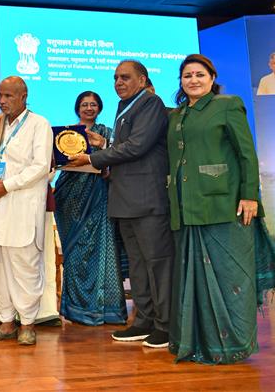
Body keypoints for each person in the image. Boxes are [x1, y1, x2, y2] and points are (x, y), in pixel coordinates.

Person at [167, 54, 275, 364]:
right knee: (194, 279)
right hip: (188, 207)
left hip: (225, 205)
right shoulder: (179, 114)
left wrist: (250, 196)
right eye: (187, 75)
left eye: (199, 74)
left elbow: (247, 153)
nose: (193, 80)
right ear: (181, 81)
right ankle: (198, 343)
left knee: (231, 278)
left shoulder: (227, 105)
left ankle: (234, 345)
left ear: (211, 77)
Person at [68, 60, 173, 349]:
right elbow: (124, 147)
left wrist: (92, 158)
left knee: (158, 264)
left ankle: (165, 326)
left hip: (148, 199)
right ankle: (143, 322)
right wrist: (103, 147)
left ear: (142, 79)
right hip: (125, 199)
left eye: (125, 77)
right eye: (115, 78)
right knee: (138, 266)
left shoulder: (150, 103)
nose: (119, 83)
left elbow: (137, 146)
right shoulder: (124, 107)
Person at [0, 76, 52, 346]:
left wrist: (7, 185)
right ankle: (5, 323)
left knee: (24, 267)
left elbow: (40, 167)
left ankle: (27, 324)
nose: (2, 101)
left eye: (8, 96)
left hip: (21, 206)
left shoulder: (39, 124)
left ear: (23, 96)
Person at [54, 91, 127, 326]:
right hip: (70, 197)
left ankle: (103, 309)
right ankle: (76, 310)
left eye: (93, 104)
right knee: (75, 252)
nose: (88, 108)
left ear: (99, 108)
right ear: (77, 108)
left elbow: (118, 157)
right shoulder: (64, 134)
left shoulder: (106, 133)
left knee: (100, 249)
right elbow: (55, 162)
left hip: (98, 195)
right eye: (84, 104)